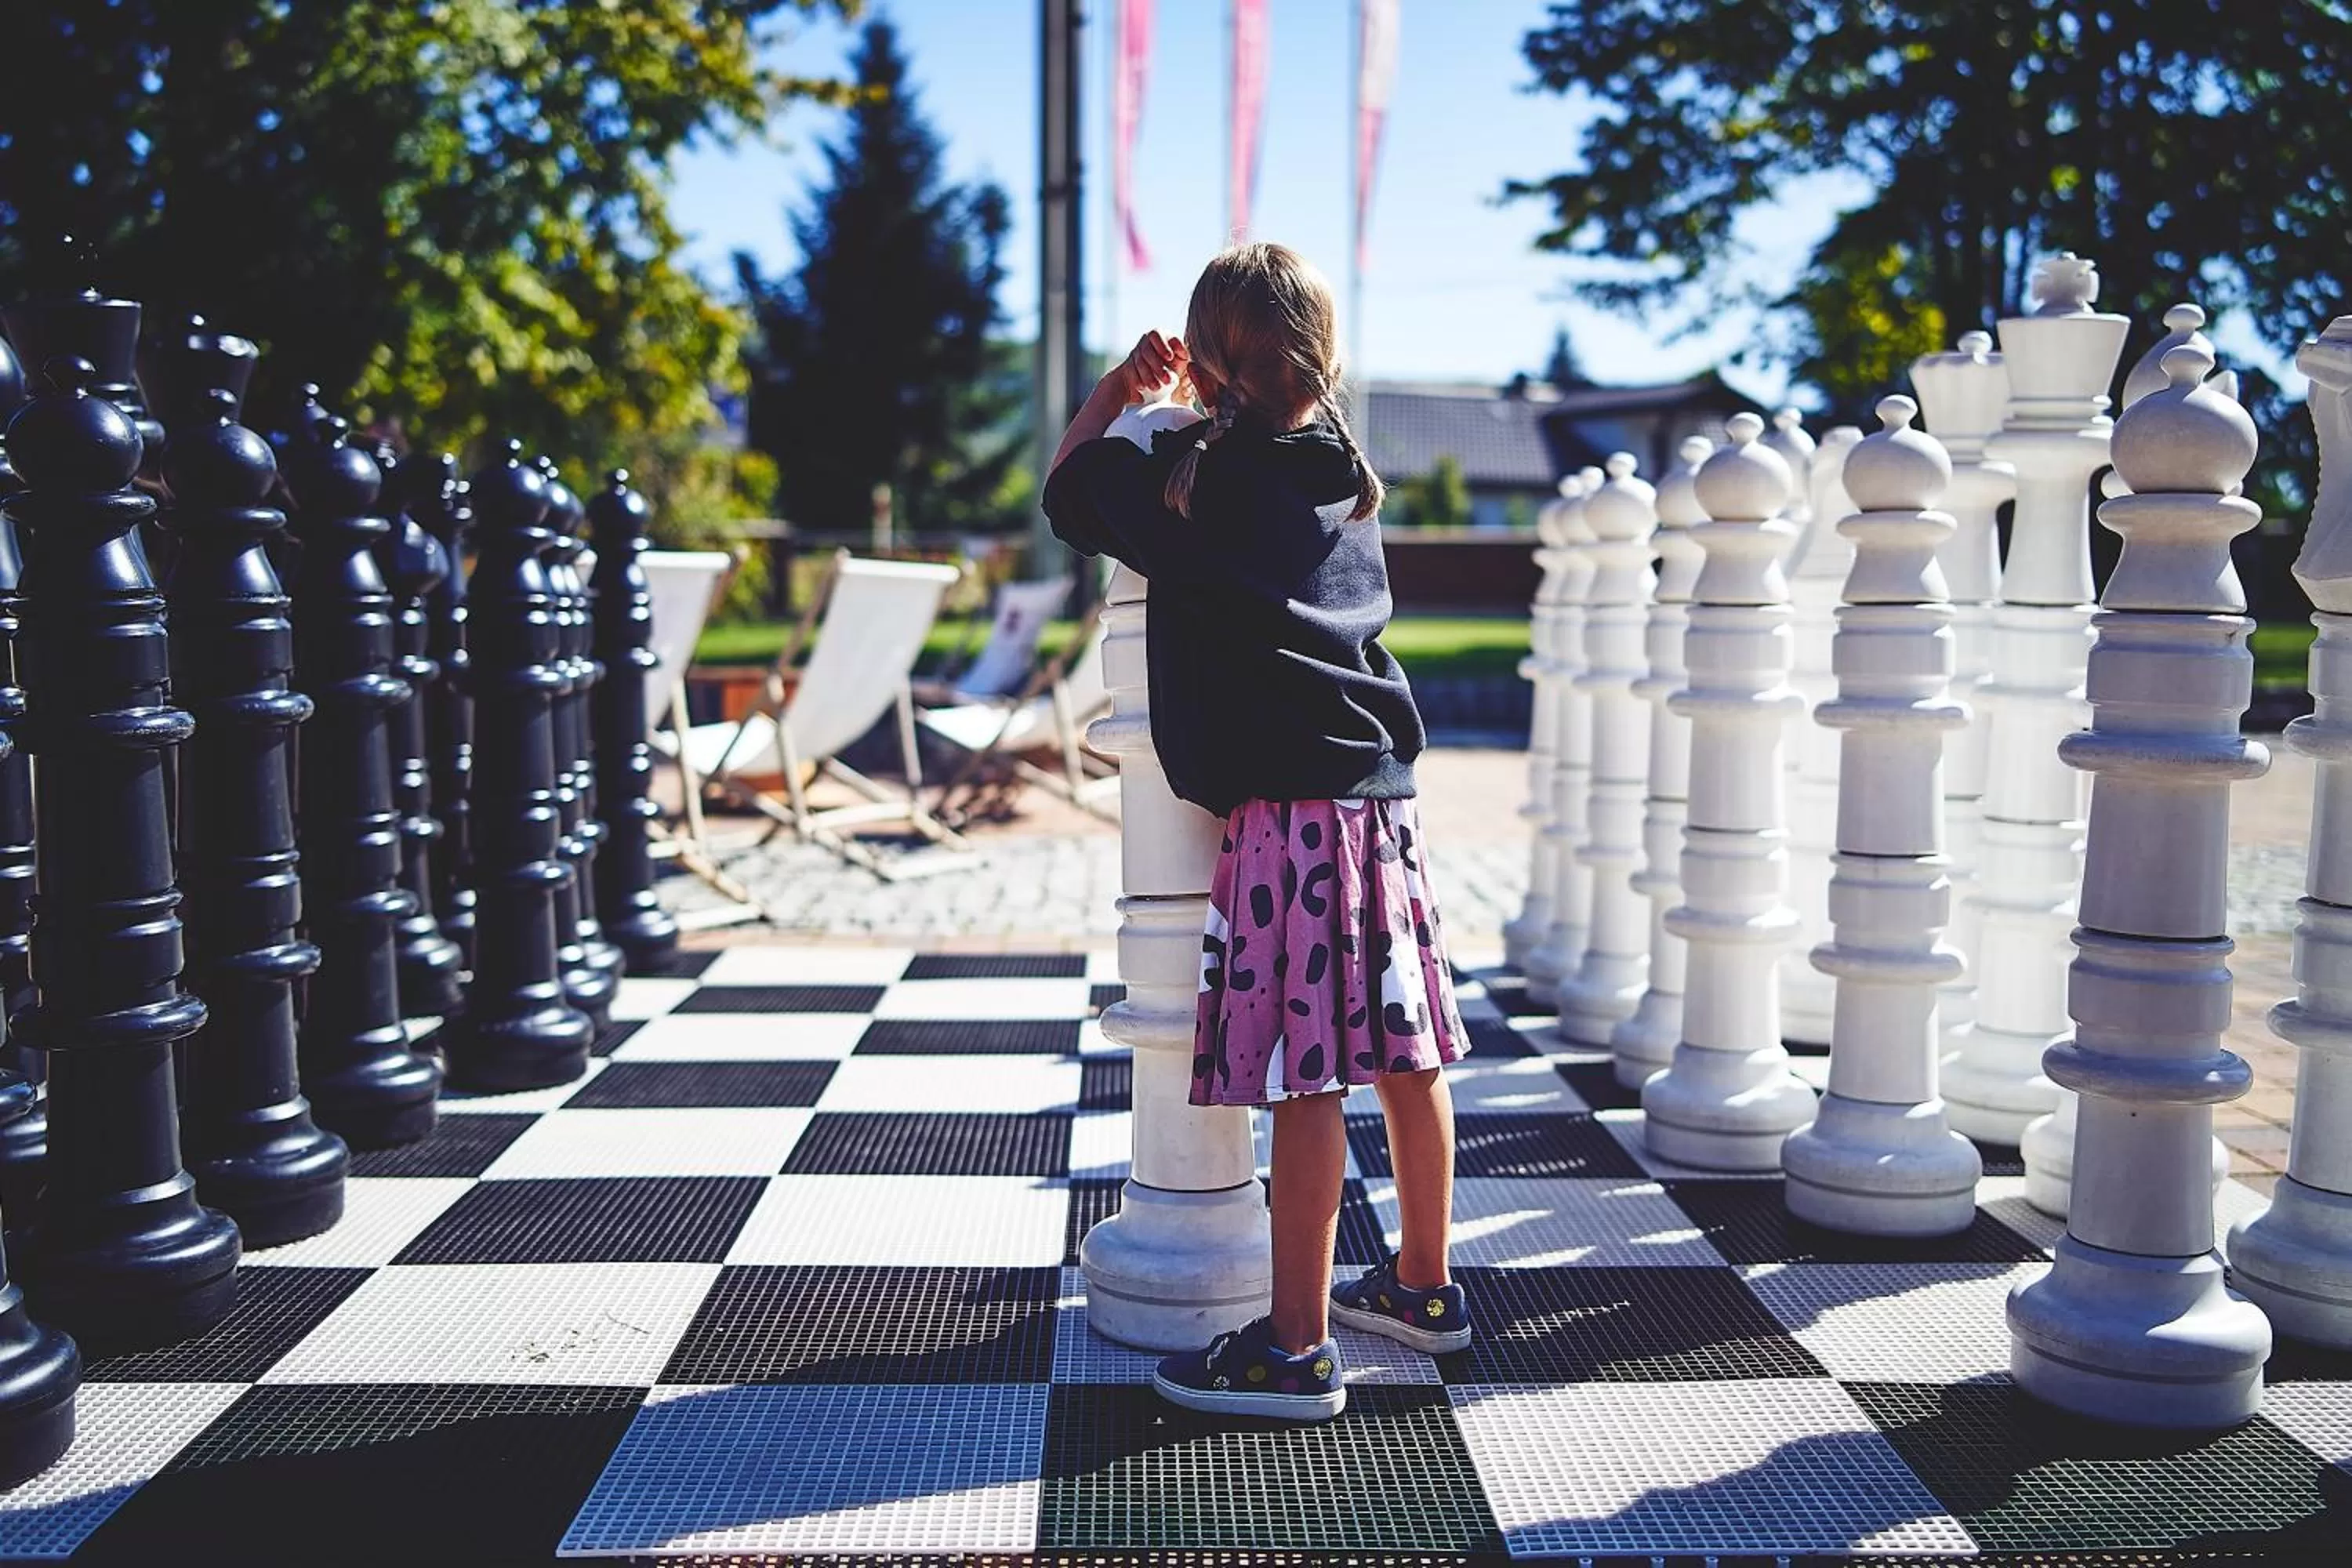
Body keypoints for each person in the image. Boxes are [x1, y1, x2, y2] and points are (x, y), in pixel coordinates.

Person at [1042, 241, 1472, 1422]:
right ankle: (1428, 1289)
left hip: (1287, 819)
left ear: (1214, 362)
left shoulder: (1193, 473)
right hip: (1381, 804)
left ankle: (1295, 1347)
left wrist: (1122, 395)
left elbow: (1069, 488)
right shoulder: (1343, 468)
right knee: (1404, 1052)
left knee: (1304, 1076)